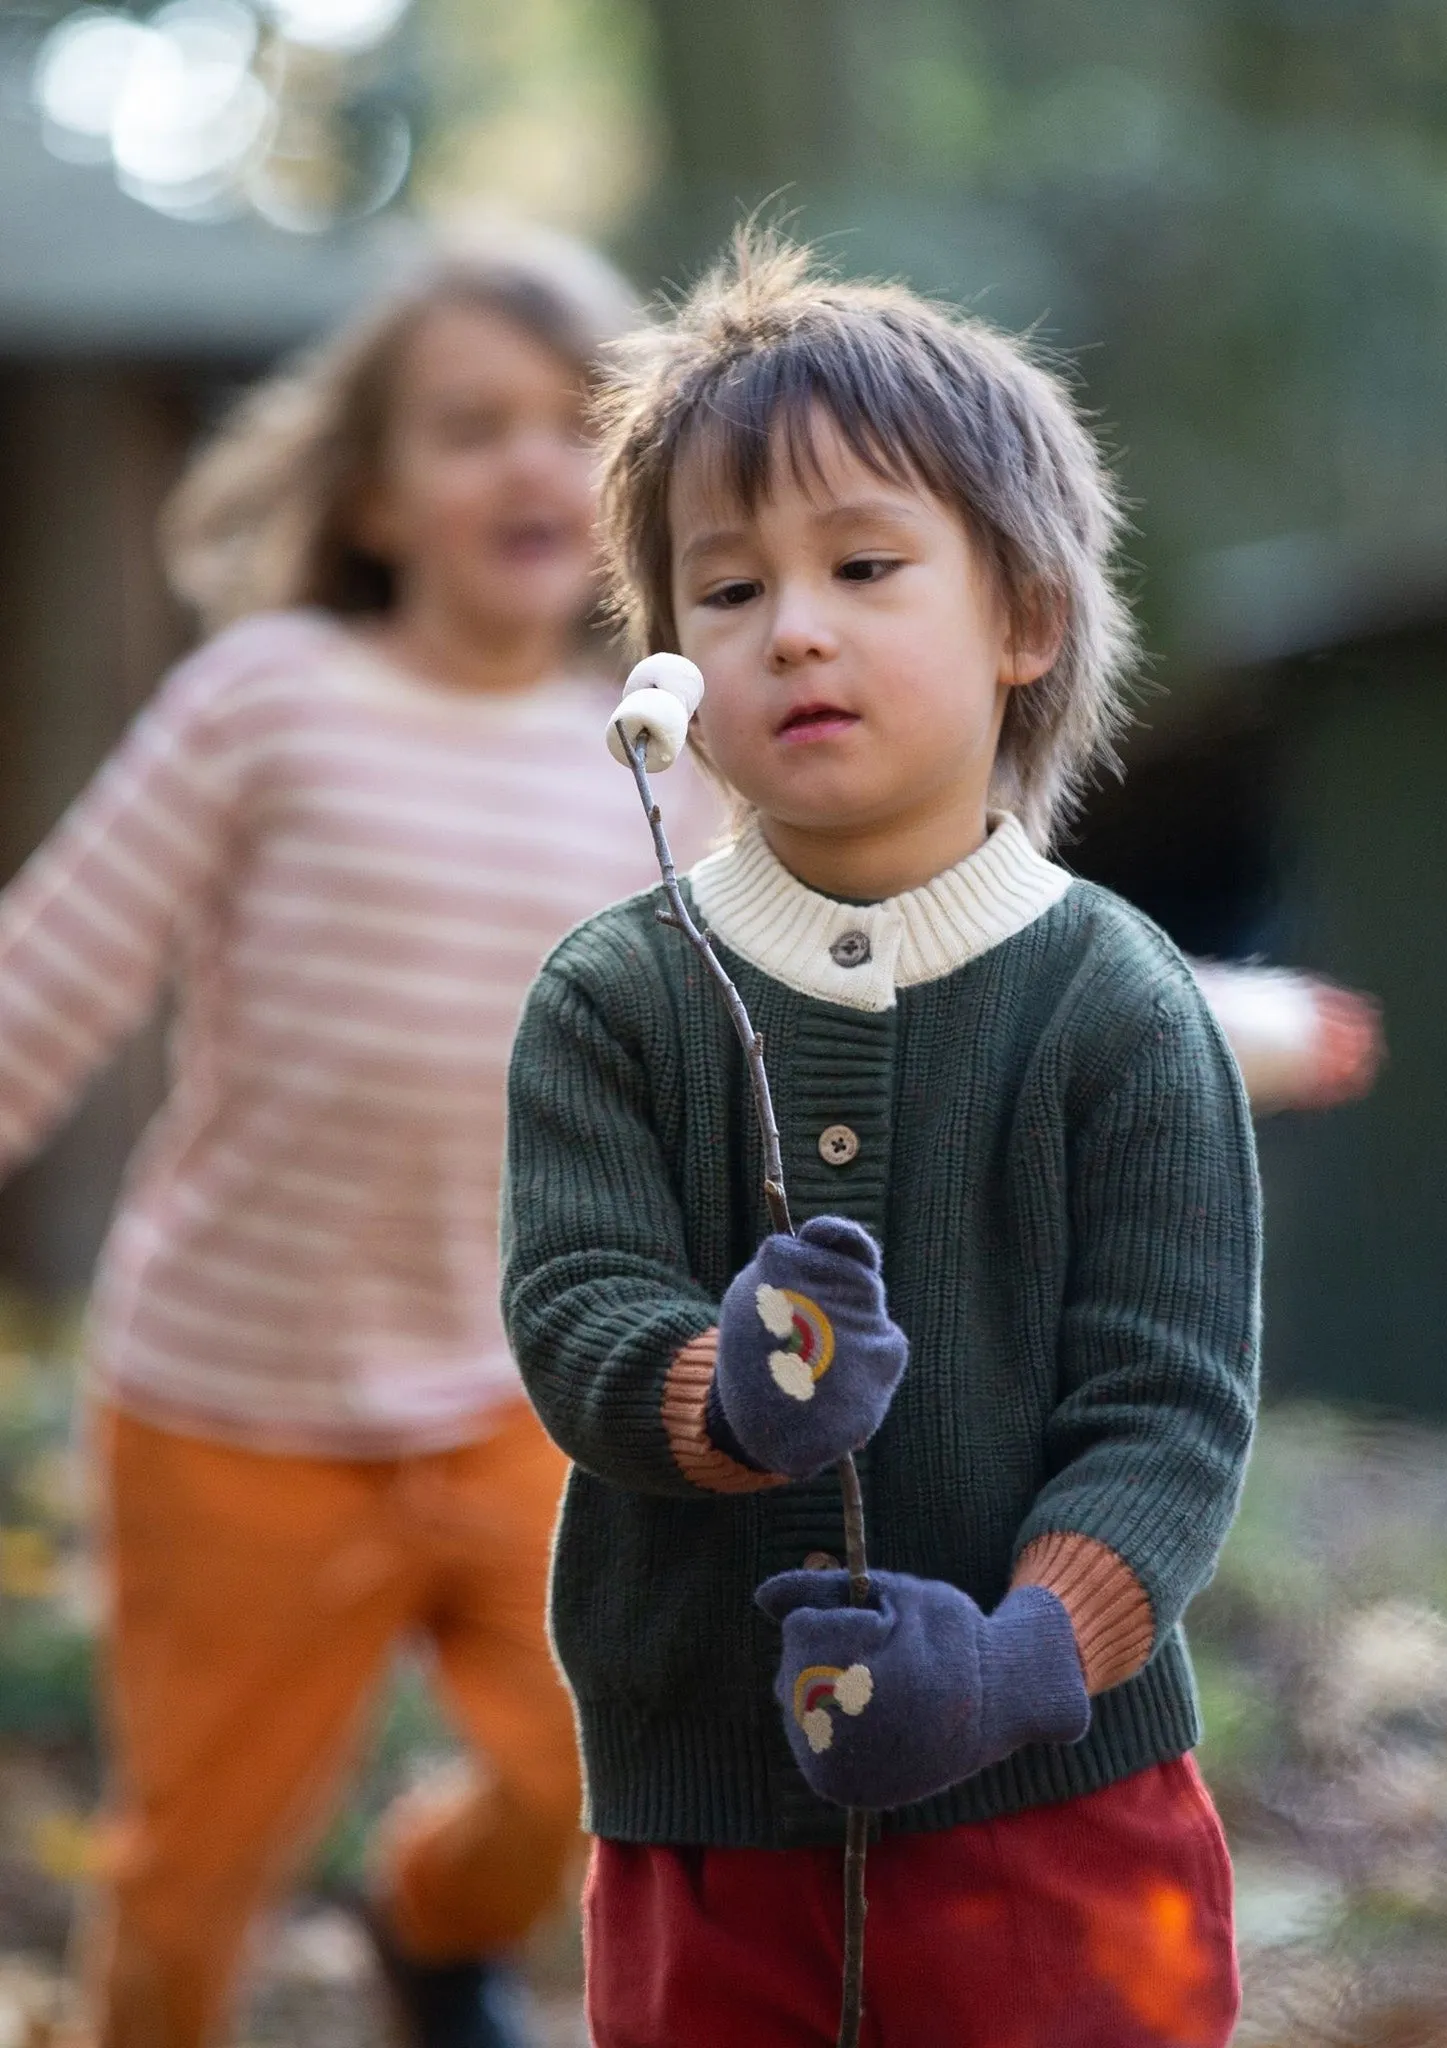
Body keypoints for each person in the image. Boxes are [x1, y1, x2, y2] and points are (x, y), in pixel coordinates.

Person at [502, 232, 1263, 2048]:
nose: (796, 627)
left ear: (1022, 622)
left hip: (1055, 1816)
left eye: (861, 564)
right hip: (705, 1818)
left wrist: (1019, 1664)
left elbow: (1163, 1418)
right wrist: (724, 1393)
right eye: (729, 586)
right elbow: (572, 1305)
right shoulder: (619, 996)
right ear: (669, 659)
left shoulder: (1116, 1007)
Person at [0, 227, 720, 2048]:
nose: (530, 465)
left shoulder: (669, 760)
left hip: (522, 1392)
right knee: (187, 1883)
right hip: (226, 1412)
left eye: (579, 426)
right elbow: (47, 979)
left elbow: (888, 956)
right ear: (378, 495)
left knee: (601, 1765)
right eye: (468, 427)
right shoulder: (269, 701)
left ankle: (425, 1921)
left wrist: (1164, 1014)